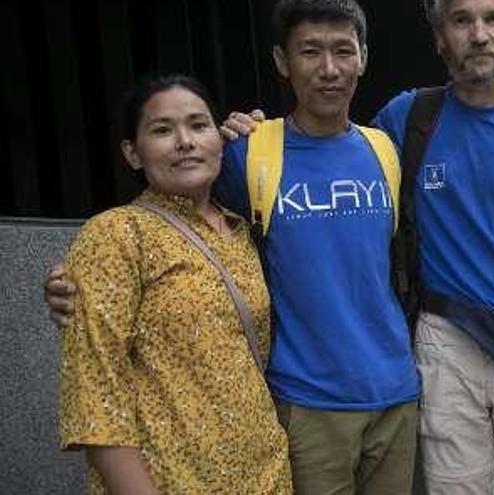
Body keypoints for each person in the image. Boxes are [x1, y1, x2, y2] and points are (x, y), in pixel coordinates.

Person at [220, 0, 494, 492]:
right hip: (444, 343)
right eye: (461, 21)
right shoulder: (407, 120)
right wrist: (243, 132)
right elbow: (323, 149)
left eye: (493, 19)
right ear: (440, 38)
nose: (479, 34)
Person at [47, 2, 421, 494]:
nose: (329, 68)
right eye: (310, 51)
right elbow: (151, 222)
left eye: (342, 51)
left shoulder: (383, 149)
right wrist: (72, 282)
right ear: (281, 61)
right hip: (305, 404)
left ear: (363, 58)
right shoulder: (248, 155)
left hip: (387, 396)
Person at [56, 75, 291, 494]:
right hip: (172, 480)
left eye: (198, 125)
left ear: (219, 138)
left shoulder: (239, 230)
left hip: (265, 476)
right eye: (162, 130)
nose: (185, 141)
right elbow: (96, 399)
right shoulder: (116, 236)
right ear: (132, 152)